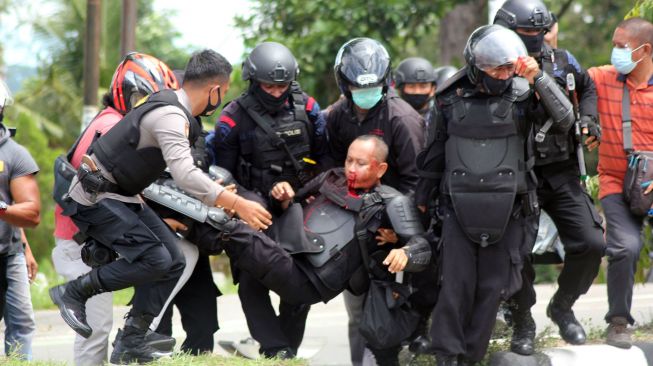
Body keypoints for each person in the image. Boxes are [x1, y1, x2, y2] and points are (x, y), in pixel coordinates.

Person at [49, 49, 272, 365]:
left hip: (124, 196)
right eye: (224, 92)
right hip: (95, 199)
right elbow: (184, 174)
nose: (222, 98)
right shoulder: (171, 115)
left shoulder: (176, 109)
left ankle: (132, 340)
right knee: (154, 257)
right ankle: (74, 293)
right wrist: (237, 203)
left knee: (175, 259)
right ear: (215, 90)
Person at [190, 135, 430, 365]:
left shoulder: (392, 202)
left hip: (312, 279)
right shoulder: (331, 177)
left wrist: (405, 252)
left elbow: (422, 247)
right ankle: (279, 352)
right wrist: (282, 195)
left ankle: (187, 219)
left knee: (236, 232)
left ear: (381, 169)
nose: (351, 168)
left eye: (361, 163)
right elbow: (293, 201)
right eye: (349, 160)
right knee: (250, 280)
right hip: (289, 252)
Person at [416, 24, 574, 365]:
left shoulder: (521, 94)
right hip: (457, 206)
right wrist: (422, 202)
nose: (503, 75)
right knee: (455, 285)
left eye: (507, 68)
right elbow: (433, 156)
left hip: (510, 207)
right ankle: (446, 355)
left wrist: (540, 79)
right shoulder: (448, 98)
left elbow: (565, 120)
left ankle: (470, 358)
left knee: (492, 287)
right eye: (495, 69)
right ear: (476, 65)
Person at [51, 52, 179, 366]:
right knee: (95, 332)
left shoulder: (120, 123)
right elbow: (94, 190)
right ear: (128, 94)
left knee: (165, 260)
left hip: (98, 239)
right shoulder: (110, 126)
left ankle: (135, 334)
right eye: (142, 99)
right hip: (80, 241)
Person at [494, 0, 605, 354]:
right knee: (516, 251)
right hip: (514, 175)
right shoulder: (490, 65)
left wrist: (589, 119)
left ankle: (563, 305)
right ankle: (521, 319)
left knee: (591, 242)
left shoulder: (562, 60)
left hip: (559, 169)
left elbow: (587, 88)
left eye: (541, 33)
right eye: (527, 34)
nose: (536, 40)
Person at [210, 41, 327, 359]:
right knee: (251, 280)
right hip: (252, 208)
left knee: (301, 279)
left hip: (299, 205)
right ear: (252, 80)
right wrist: (249, 202)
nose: (276, 92)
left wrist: (295, 189)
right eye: (268, 86)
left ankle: (285, 350)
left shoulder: (309, 109)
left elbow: (324, 160)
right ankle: (275, 348)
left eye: (282, 86)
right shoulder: (231, 118)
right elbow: (222, 173)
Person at [588, 17, 653, 349]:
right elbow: (567, 80)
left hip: (652, 182)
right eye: (613, 45)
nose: (615, 52)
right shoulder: (602, 79)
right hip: (616, 181)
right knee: (625, 248)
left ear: (645, 51)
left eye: (621, 47)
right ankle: (618, 322)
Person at [0, 79, 40, 361]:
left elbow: (30, 212)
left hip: (8, 253)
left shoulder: (15, 154)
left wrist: (24, 247)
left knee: (22, 323)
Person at [393, 57, 438, 135]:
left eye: (423, 86)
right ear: (400, 89)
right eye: (411, 86)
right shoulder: (391, 118)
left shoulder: (440, 119)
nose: (417, 91)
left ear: (433, 89)